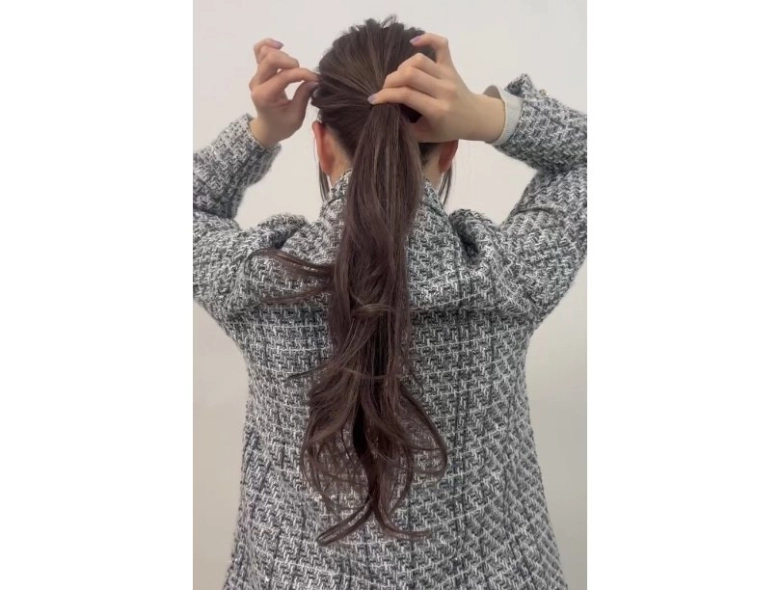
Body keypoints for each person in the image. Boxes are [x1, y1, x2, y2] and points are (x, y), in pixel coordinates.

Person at [194, 16, 586, 590]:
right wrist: (489, 116)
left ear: (321, 144)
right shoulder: (506, 276)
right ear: (449, 149)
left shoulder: (259, 285)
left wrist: (261, 131)